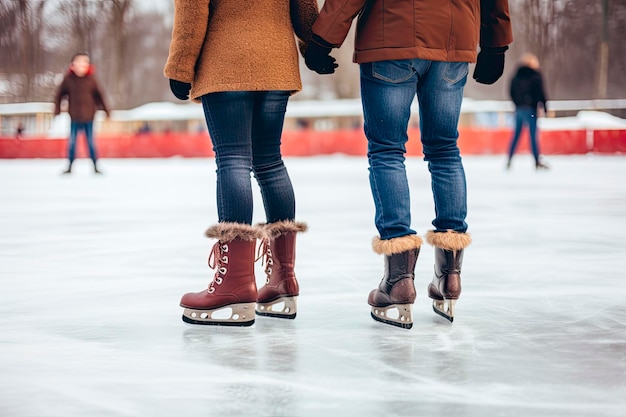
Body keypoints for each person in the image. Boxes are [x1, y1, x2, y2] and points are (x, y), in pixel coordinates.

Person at [305, 0, 513, 328]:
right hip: (453, 35)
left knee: (387, 151)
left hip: (392, 32)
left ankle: (399, 279)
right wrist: (496, 42)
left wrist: (323, 38)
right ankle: (450, 275)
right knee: (444, 149)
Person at [163, 0, 334, 326]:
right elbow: (304, 6)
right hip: (276, 61)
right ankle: (283, 280)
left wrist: (180, 66)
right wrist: (314, 44)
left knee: (233, 159)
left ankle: (236, 283)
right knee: (269, 161)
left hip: (225, 61)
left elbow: (192, 9)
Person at [54, 52, 110, 174]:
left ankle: (95, 165)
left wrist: (107, 111)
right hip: (74, 116)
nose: (82, 65)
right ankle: (69, 165)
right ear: (73, 65)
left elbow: (99, 96)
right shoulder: (69, 79)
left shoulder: (91, 79)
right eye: (79, 62)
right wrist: (57, 109)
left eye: (85, 62)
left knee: (90, 141)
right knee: (72, 141)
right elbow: (59, 95)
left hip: (89, 116)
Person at [507, 53, 550, 170]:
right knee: (532, 136)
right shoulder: (536, 76)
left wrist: (518, 104)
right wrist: (545, 107)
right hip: (531, 109)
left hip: (520, 109)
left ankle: (509, 159)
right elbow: (541, 93)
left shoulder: (517, 75)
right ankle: (536, 161)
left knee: (516, 135)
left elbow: (511, 91)